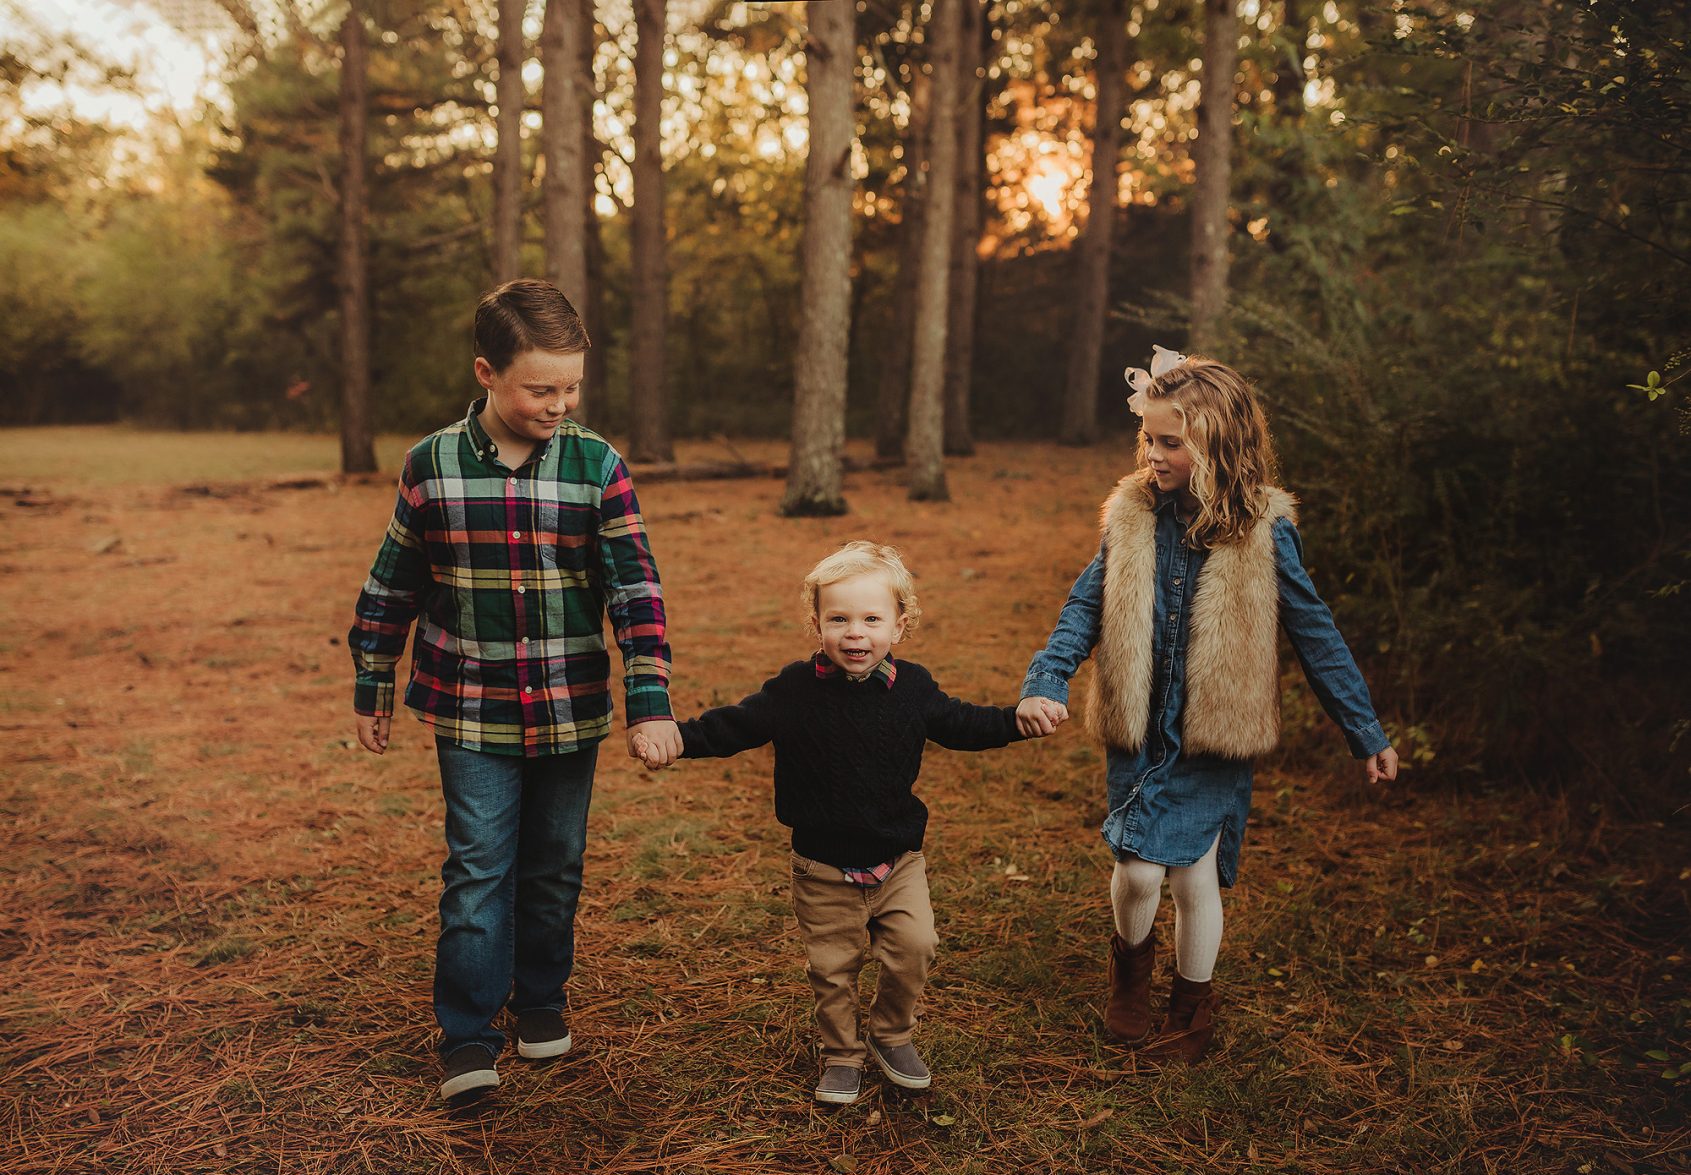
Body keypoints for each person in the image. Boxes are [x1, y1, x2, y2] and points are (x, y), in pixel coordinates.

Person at [1017, 348, 1399, 1065]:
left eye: (1169, 443)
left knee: (1192, 875)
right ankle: (1129, 965)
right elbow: (1084, 605)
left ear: (1217, 446)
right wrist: (1047, 677)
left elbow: (1315, 633)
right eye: (1148, 440)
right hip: (1138, 720)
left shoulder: (1263, 530)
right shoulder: (1131, 517)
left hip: (1211, 735)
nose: (1151, 456)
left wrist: (1363, 731)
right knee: (1134, 869)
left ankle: (1191, 1005)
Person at [349, 279, 681, 1103]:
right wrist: (372, 678)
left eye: (571, 386)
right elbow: (393, 580)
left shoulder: (596, 463)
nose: (559, 403)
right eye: (541, 388)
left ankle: (539, 1000)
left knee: (554, 868)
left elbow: (635, 589)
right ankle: (468, 1032)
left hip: (571, 705)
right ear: (487, 373)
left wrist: (649, 701)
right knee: (477, 870)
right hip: (470, 706)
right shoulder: (431, 465)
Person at [634, 542, 1032, 1104]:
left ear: (900, 624)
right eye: (839, 618)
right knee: (833, 967)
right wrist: (673, 738)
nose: (855, 633)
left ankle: (892, 1034)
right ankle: (841, 1053)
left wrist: (1017, 720)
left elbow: (964, 723)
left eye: (872, 619)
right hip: (820, 866)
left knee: (915, 946)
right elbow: (733, 727)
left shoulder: (914, 689)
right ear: (816, 623)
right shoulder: (793, 691)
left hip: (898, 861)